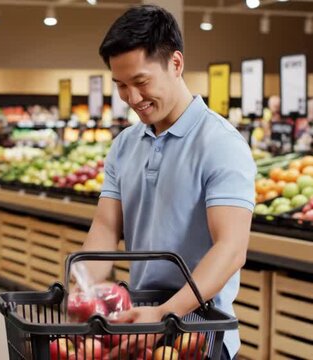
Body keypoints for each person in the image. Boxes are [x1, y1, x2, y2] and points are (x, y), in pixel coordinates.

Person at [80, 5, 255, 359]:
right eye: (121, 85)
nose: (131, 98)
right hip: (140, 322)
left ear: (176, 64)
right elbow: (104, 225)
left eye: (141, 82)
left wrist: (165, 314)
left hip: (199, 331)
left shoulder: (221, 144)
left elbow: (231, 249)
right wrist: (82, 287)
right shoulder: (124, 145)